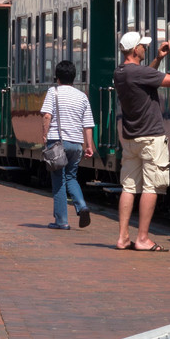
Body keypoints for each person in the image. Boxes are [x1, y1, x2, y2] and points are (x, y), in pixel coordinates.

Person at [113, 31, 170, 252]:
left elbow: (145, 77)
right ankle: (142, 238)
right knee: (151, 187)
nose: (145, 48)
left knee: (129, 187)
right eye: (143, 46)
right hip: (151, 137)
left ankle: (123, 237)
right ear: (135, 50)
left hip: (131, 138)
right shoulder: (137, 72)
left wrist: (158, 59)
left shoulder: (121, 72)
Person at [40, 60, 95, 230]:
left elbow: (47, 116)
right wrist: (89, 146)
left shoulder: (53, 92)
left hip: (57, 142)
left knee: (58, 181)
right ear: (74, 77)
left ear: (57, 78)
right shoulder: (82, 96)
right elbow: (87, 124)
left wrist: (44, 134)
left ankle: (61, 221)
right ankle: (82, 206)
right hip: (76, 144)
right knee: (71, 177)